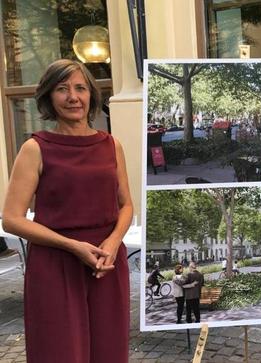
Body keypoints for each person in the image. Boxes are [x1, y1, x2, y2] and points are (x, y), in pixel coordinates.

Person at [1, 59, 133, 362]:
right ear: (49, 96)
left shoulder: (112, 145)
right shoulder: (35, 148)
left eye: (80, 88)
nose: (73, 97)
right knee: (59, 350)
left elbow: (126, 205)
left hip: (106, 263)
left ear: (91, 95)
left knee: (109, 349)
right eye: (62, 89)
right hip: (55, 263)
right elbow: (12, 219)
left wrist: (113, 242)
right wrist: (72, 246)